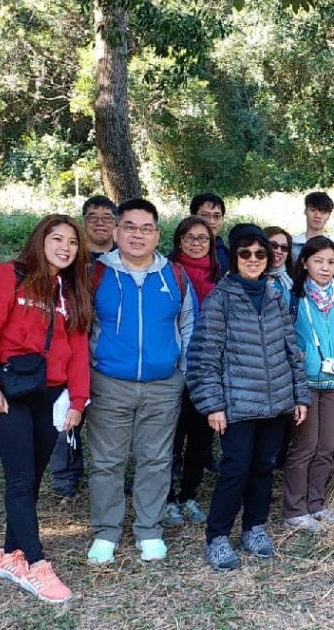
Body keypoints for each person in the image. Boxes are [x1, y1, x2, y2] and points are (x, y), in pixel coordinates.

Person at [0, 214, 92, 603]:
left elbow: (77, 352)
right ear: (41, 241)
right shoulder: (9, 275)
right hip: (10, 391)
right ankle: (38, 566)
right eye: (57, 239)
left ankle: (9, 555)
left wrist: (78, 401)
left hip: (50, 395)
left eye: (72, 243)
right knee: (21, 479)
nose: (65, 247)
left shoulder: (71, 290)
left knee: (32, 479)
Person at [187, 224, 311, 570]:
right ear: (234, 258)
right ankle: (218, 536)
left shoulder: (273, 295)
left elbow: (290, 349)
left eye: (260, 253)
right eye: (245, 253)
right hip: (239, 405)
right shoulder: (220, 299)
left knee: (263, 468)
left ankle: (254, 527)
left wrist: (299, 395)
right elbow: (204, 356)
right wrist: (213, 405)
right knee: (235, 470)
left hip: (276, 404)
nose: (254, 259)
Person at [86, 198, 196, 565]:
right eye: (129, 227)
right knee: (106, 460)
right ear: (116, 232)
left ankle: (149, 529)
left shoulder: (175, 276)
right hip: (108, 382)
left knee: (156, 458)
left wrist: (182, 371)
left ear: (157, 235)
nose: (137, 235)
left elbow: (190, 327)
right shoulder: (95, 275)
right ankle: (106, 531)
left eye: (146, 228)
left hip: (163, 384)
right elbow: (79, 329)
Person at [284, 236, 334, 533]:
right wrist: (301, 361)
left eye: (330, 262)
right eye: (318, 261)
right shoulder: (294, 296)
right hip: (306, 382)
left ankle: (316, 504)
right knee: (304, 446)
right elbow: (287, 337)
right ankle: (295, 509)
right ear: (305, 263)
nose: (325, 268)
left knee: (326, 447)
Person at [48, 196, 117, 498]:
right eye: (93, 216)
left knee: (108, 421)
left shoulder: (125, 258)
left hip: (109, 354)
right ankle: (65, 476)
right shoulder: (68, 257)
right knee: (67, 413)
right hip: (70, 349)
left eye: (107, 216)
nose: (100, 221)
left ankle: (110, 474)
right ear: (84, 222)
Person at [160, 216, 220, 529]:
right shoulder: (168, 273)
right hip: (172, 368)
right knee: (170, 437)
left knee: (199, 436)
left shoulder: (219, 277)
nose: (196, 243)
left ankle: (189, 495)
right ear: (179, 241)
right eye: (190, 237)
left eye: (203, 238)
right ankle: (167, 499)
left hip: (206, 369)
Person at [190, 193, 229, 274]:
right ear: (192, 217)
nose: (211, 221)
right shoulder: (182, 251)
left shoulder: (226, 256)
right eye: (205, 215)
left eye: (217, 216)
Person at [292, 191, 333, 260]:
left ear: (329, 216)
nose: (317, 215)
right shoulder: (293, 245)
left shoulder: (332, 247)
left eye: (323, 212)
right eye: (313, 210)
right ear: (305, 211)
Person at [264, 226, 295, 305]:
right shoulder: (251, 278)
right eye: (273, 245)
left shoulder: (293, 279)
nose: (279, 251)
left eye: (284, 248)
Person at [81, 195, 118, 261]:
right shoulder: (72, 256)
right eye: (93, 217)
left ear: (115, 223)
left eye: (107, 218)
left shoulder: (127, 256)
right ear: (83, 222)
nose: (100, 223)